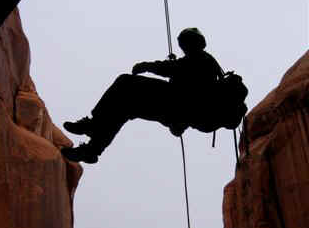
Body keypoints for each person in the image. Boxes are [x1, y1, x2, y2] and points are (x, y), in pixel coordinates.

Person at [61, 28, 227, 164]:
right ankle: (92, 150)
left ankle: (93, 125)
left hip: (179, 106)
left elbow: (173, 68)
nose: (183, 47)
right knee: (124, 108)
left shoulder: (203, 59)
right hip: (178, 109)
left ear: (195, 43)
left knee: (125, 82)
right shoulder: (197, 62)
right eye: (182, 44)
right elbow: (180, 71)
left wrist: (146, 66)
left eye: (185, 43)